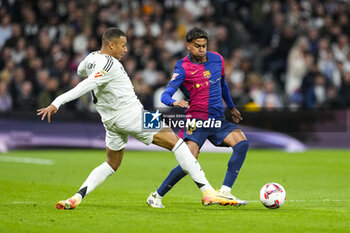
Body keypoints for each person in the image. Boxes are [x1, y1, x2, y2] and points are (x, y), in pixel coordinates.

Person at [37, 27, 238, 210]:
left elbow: (81, 70)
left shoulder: (91, 58)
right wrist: (57, 102)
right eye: (123, 46)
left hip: (111, 122)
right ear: (111, 45)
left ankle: (77, 197)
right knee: (178, 145)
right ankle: (208, 192)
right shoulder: (110, 64)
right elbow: (86, 84)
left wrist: (88, 73)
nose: (125, 50)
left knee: (110, 164)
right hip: (134, 115)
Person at [147, 27, 249, 208]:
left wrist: (232, 107)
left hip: (217, 119)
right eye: (197, 46)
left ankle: (225, 191)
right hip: (196, 120)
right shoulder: (182, 67)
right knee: (189, 162)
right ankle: (156, 196)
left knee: (242, 143)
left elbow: (223, 84)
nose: (201, 49)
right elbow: (165, 94)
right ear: (188, 46)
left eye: (204, 45)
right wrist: (174, 103)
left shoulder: (218, 59)